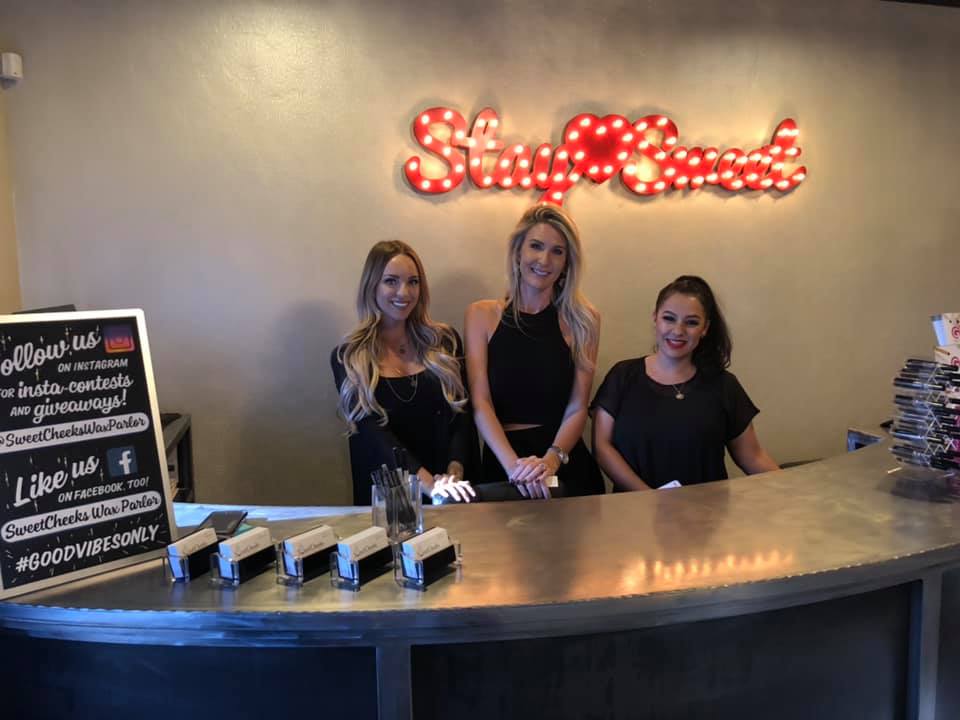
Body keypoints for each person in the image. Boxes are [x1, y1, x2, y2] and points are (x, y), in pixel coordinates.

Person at [465, 203, 604, 500]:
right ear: (518, 251)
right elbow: (481, 402)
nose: (544, 260)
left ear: (567, 262)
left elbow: (578, 407)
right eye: (536, 246)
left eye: (557, 251)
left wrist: (550, 462)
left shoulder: (584, 320)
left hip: (563, 463)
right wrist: (515, 469)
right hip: (503, 463)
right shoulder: (481, 315)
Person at [591, 275, 779, 491]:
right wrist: (648, 498)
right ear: (655, 318)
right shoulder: (623, 376)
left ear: (705, 328)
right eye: (669, 318)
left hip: (708, 510)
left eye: (691, 322)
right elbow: (602, 447)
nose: (678, 331)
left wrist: (794, 492)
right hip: (634, 508)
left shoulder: (724, 385)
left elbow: (753, 457)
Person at [331, 240, 478, 506]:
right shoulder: (350, 357)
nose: (404, 292)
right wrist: (429, 486)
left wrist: (454, 474)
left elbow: (462, 417)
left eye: (413, 282)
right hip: (392, 501)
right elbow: (374, 436)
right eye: (391, 281)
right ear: (372, 286)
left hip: (452, 492)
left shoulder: (445, 341)